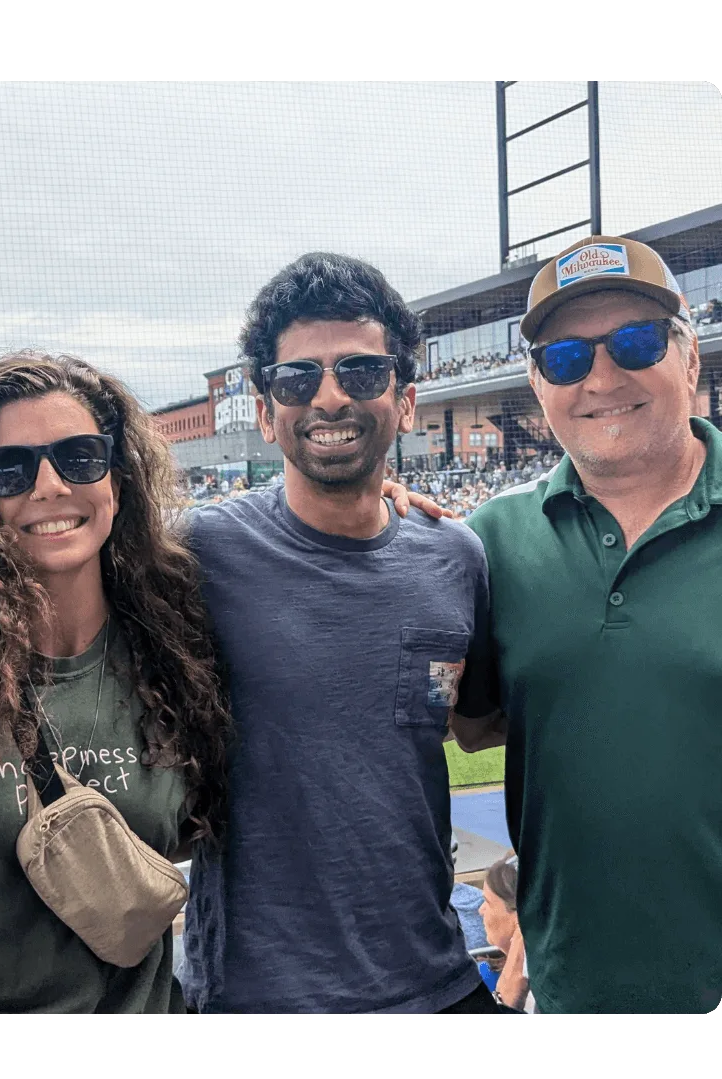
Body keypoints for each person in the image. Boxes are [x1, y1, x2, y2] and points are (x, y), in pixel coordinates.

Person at [182, 252, 505, 1015]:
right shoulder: (196, 553)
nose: (329, 397)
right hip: (257, 993)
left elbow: (476, 721)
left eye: (360, 373)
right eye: (298, 380)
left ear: (406, 401)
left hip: (435, 978)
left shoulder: (455, 556)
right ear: (266, 411)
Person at [0, 351, 232, 1014]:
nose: (49, 485)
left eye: (80, 456)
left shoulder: (181, 651)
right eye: (8, 467)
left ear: (116, 482)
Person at [452, 235, 722, 1015]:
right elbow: (481, 726)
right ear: (539, 386)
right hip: (571, 986)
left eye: (634, 343)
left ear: (689, 357)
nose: (602, 377)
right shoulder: (490, 541)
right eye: (567, 359)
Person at [479, 852, 531, 1012]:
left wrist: (506, 999)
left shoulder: (547, 995)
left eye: (488, 902)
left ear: (518, 915)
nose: (481, 910)